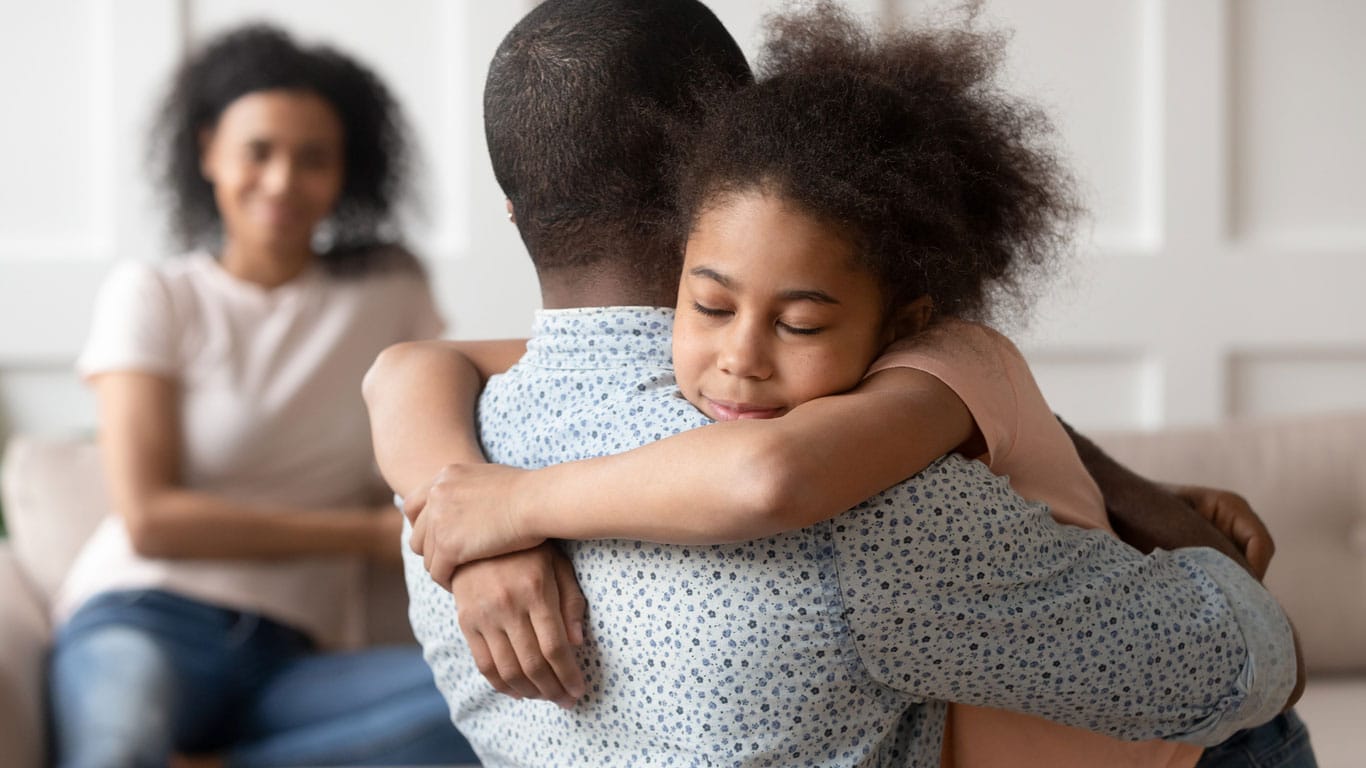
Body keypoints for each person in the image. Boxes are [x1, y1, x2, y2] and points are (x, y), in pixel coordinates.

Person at [366, 1, 1303, 765]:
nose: (746, 355)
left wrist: (504, 508)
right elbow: (1242, 665)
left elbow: (407, 369)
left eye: (801, 323)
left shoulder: (442, 500)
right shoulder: (857, 503)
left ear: (512, 206)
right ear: (709, 173)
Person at [48, 25, 479, 767]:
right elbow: (151, 520)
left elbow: (440, 435)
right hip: (144, 616)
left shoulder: (390, 291)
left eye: (313, 158)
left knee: (492, 710)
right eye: (259, 151)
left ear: (347, 172)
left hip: (295, 657)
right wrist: (361, 536)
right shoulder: (154, 294)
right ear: (210, 151)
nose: (282, 180)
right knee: (117, 751)